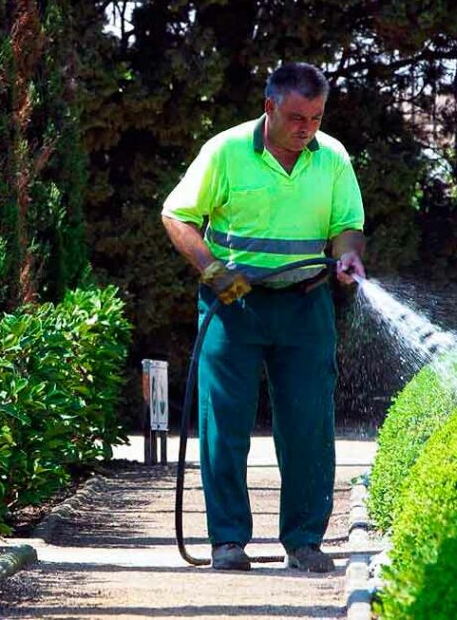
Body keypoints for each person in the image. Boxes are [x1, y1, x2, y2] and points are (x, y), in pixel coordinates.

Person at [160, 62, 366, 573]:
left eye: (316, 118)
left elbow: (348, 225)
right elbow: (176, 215)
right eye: (297, 117)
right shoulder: (226, 151)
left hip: (305, 304)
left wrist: (347, 255)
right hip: (233, 304)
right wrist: (211, 271)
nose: (306, 129)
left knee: (309, 424)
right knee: (224, 422)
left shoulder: (333, 158)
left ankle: (304, 541)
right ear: (270, 106)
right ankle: (228, 540)